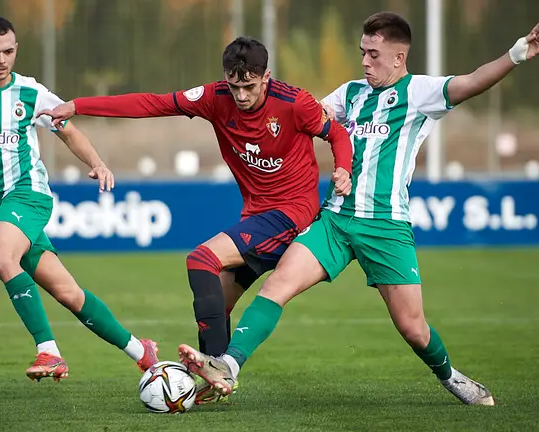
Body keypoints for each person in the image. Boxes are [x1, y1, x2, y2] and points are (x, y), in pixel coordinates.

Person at [177, 12, 539, 406]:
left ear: (398, 57)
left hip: (386, 226)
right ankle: (228, 367)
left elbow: (472, 82)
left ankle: (450, 376)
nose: (365, 61)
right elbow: (300, 117)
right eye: (362, 53)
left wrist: (515, 55)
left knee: (413, 328)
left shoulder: (420, 91)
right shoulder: (349, 93)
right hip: (335, 221)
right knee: (277, 286)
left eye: (373, 54)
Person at [39, 37, 353, 402]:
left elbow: (338, 134)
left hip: (291, 215)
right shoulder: (214, 97)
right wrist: (79, 105)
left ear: (266, 77)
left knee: (201, 258)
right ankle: (216, 375)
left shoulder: (294, 103)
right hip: (256, 214)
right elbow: (152, 104)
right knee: (217, 304)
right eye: (234, 86)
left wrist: (343, 169)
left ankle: (217, 367)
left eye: (249, 87)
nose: (240, 95)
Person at [0, 16, 159, 382]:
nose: (1, 59)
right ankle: (140, 350)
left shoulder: (31, 93)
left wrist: (98, 163)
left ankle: (48, 351)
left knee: (1, 256)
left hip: (28, 194)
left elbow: (68, 130)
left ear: (15, 50)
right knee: (68, 293)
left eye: (8, 51)